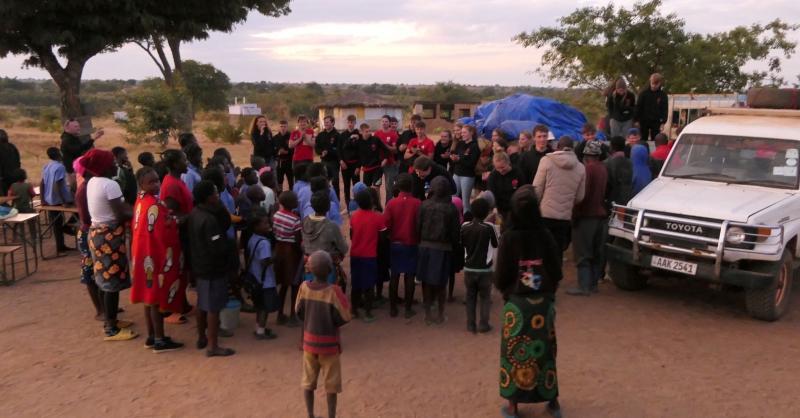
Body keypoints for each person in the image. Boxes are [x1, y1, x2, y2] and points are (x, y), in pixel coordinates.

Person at [495, 185, 562, 418]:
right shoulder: (545, 235)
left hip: (517, 304)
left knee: (514, 352)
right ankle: (552, 402)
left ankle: (513, 406)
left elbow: (501, 274)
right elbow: (556, 269)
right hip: (543, 302)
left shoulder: (509, 236)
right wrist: (549, 291)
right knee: (545, 350)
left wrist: (508, 293)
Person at [129, 167, 187, 353]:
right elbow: (164, 229)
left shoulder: (141, 199)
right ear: (141, 184)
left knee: (148, 297)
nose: (155, 185)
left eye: (157, 181)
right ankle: (160, 341)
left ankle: (152, 336)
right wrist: (178, 220)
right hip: (153, 254)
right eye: (151, 182)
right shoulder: (154, 205)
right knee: (154, 298)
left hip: (142, 253)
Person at [82, 149, 135, 341]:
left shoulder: (93, 182)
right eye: (113, 162)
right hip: (109, 236)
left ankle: (110, 320)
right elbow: (120, 215)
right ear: (105, 166)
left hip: (97, 233)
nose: (116, 165)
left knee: (105, 279)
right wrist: (141, 212)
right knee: (111, 281)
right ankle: (111, 328)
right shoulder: (110, 185)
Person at [296, 250, 351, 418]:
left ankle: (310, 415)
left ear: (309, 269)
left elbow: (298, 311)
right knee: (331, 386)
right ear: (330, 270)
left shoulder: (304, 287)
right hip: (330, 346)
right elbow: (345, 316)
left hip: (309, 343)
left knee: (308, 382)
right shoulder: (334, 291)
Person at [188, 180, 236, 357]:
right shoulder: (209, 220)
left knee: (202, 303)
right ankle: (212, 346)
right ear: (209, 198)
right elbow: (217, 248)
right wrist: (230, 245)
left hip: (199, 265)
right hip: (212, 268)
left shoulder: (195, 212)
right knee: (213, 308)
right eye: (216, 194)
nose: (218, 196)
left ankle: (202, 337)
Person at [533, 136, 586, 263]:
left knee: (541, 251)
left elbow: (537, 189)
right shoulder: (580, 167)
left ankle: (540, 280)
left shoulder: (546, 161)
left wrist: (536, 208)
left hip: (545, 213)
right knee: (557, 252)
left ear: (558, 147)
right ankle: (555, 280)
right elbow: (580, 196)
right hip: (564, 216)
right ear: (572, 148)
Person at [416, 176, 461, 327]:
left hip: (425, 247)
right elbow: (456, 232)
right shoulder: (451, 208)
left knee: (427, 283)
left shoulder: (424, 205)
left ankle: (428, 315)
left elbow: (417, 227)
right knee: (441, 283)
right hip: (444, 248)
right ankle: (441, 314)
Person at [565, 141, 608, 296]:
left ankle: (583, 287)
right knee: (595, 253)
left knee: (583, 253)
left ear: (586, 154)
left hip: (586, 217)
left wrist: (574, 214)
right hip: (600, 217)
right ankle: (593, 285)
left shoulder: (588, 169)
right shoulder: (603, 169)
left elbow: (582, 195)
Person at [159, 150, 196, 323]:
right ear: (175, 164)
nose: (187, 162)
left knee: (184, 270)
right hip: (180, 233)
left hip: (186, 229)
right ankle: (176, 306)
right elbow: (171, 214)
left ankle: (184, 304)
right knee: (180, 269)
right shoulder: (172, 185)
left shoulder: (176, 180)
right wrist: (192, 216)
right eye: (184, 160)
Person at [383, 174, 421, 318]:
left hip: (395, 244)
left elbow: (386, 224)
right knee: (410, 276)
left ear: (398, 187)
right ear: (411, 186)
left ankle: (393, 309)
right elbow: (420, 224)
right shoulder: (417, 203)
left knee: (395, 276)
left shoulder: (391, 203)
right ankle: (408, 309)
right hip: (411, 243)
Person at [348, 190, 387, 323]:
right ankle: (368, 313)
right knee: (369, 286)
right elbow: (382, 239)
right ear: (372, 201)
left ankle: (353, 310)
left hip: (355, 254)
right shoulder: (378, 217)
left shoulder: (355, 216)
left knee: (356, 284)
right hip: (370, 255)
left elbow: (352, 235)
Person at [460, 198, 498, 334]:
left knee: (470, 297)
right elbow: (495, 244)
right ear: (487, 212)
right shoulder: (489, 227)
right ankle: (484, 324)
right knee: (485, 297)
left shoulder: (464, 226)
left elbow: (461, 244)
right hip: (485, 270)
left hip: (469, 269)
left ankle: (470, 325)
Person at [599, 136, 632, 284]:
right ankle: (614, 271)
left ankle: (600, 273)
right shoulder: (630, 163)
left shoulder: (609, 164)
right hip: (626, 206)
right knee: (620, 240)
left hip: (612, 206)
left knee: (605, 241)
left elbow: (606, 188)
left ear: (611, 147)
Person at [74, 161, 104, 322]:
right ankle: (100, 310)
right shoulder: (83, 190)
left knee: (100, 269)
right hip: (88, 232)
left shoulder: (91, 186)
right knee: (90, 272)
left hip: (92, 230)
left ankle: (105, 306)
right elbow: (85, 217)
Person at [302, 191, 350, 284]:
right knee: (328, 292)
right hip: (327, 266)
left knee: (312, 290)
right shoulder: (332, 225)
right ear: (329, 207)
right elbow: (344, 248)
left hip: (310, 265)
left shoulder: (305, 221)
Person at [247, 210, 280, 340]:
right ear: (256, 226)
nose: (268, 226)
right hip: (265, 280)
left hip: (256, 278)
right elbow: (264, 262)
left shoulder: (253, 239)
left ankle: (258, 328)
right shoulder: (265, 243)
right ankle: (261, 331)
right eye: (265, 223)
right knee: (265, 307)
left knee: (259, 305)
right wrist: (275, 256)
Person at [273, 190, 303, 327]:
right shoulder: (295, 219)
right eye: (296, 200)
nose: (298, 201)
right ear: (291, 203)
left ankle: (280, 315)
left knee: (284, 284)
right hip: (292, 252)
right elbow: (298, 240)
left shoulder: (277, 215)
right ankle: (292, 315)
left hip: (279, 249)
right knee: (294, 284)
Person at [41, 147, 75, 253]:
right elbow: (57, 184)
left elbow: (42, 183)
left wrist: (43, 198)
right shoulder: (60, 167)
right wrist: (63, 201)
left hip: (49, 199)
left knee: (56, 223)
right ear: (59, 154)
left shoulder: (47, 166)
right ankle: (68, 226)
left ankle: (60, 245)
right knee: (80, 208)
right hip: (59, 199)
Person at [342, 123, 390, 188]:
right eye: (366, 131)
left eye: (369, 131)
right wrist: (351, 138)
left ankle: (377, 198)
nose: (369, 133)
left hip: (377, 168)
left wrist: (385, 159)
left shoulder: (375, 139)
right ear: (361, 132)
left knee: (376, 188)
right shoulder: (358, 141)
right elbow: (346, 148)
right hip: (366, 169)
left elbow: (386, 150)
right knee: (367, 189)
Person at [60, 119, 103, 189]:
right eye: (75, 126)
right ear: (68, 128)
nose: (79, 128)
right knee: (77, 189)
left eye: (78, 126)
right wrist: (93, 138)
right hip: (72, 171)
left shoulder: (72, 138)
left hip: (75, 169)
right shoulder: (67, 140)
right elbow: (78, 149)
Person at [486, 152, 527, 221]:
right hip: (499, 209)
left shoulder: (518, 174)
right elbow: (491, 192)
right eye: (497, 168)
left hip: (514, 209)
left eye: (502, 167)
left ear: (508, 162)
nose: (500, 170)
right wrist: (494, 207)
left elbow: (523, 192)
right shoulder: (493, 175)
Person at [451, 124, 481, 214]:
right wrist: (454, 158)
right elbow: (455, 158)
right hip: (456, 174)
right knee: (453, 198)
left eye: (465, 132)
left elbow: (472, 164)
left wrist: (459, 159)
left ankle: (466, 220)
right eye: (462, 132)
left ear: (471, 133)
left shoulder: (474, 147)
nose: (462, 134)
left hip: (467, 176)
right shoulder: (460, 144)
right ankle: (453, 217)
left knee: (465, 202)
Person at [634, 73, 669, 142]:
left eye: (656, 84)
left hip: (656, 121)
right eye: (652, 83)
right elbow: (638, 107)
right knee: (643, 139)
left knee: (655, 139)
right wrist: (636, 120)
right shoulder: (643, 94)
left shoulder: (662, 95)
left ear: (659, 83)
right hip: (644, 120)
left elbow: (665, 109)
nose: (654, 86)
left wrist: (663, 122)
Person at [374, 115, 399, 204]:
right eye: (383, 121)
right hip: (378, 163)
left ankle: (388, 204)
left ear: (389, 123)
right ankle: (377, 205)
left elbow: (395, 149)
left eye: (386, 121)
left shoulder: (393, 134)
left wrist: (384, 145)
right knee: (377, 185)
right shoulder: (377, 134)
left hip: (389, 163)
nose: (384, 123)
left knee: (389, 186)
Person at [315, 115, 341, 203]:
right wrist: (321, 153)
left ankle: (336, 201)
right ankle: (324, 201)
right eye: (324, 122)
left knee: (335, 181)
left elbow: (339, 149)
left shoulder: (337, 135)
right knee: (323, 181)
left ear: (333, 123)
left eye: (327, 122)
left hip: (334, 161)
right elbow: (317, 148)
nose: (325, 124)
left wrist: (329, 152)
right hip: (324, 161)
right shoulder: (320, 135)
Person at [338, 115, 362, 205]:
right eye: (348, 122)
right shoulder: (342, 135)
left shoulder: (359, 136)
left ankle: (358, 204)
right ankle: (348, 204)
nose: (350, 124)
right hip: (345, 164)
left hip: (355, 164)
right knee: (346, 185)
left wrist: (359, 166)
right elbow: (339, 149)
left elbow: (361, 152)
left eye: (352, 122)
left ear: (355, 123)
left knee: (357, 186)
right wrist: (341, 161)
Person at [274, 120, 295, 190]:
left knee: (290, 180)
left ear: (287, 127)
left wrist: (287, 152)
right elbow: (273, 149)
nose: (283, 128)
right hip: (279, 162)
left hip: (289, 161)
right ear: (279, 127)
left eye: (284, 126)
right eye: (281, 126)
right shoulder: (276, 137)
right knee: (279, 180)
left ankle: (291, 195)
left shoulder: (291, 136)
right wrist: (278, 152)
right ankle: (280, 196)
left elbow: (294, 149)